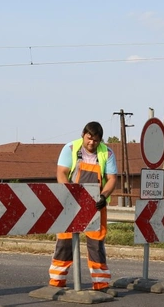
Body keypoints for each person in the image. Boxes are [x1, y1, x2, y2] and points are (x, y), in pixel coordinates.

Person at [49, 121, 119, 291]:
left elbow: (112, 179)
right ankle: (57, 281)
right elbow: (62, 173)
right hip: (71, 203)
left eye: (96, 140)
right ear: (83, 135)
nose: (91, 143)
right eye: (89, 138)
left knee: (96, 244)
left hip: (96, 205)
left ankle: (101, 283)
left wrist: (103, 196)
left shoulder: (107, 153)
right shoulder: (71, 149)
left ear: (100, 140)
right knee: (65, 242)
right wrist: (69, 193)